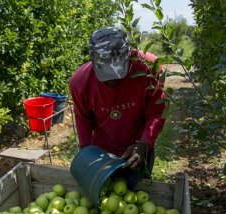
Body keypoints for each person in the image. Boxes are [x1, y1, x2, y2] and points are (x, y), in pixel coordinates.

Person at [69, 27, 166, 188]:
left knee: (137, 191)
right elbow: (83, 118)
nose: (112, 81)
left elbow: (156, 112)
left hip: (138, 148)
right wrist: (87, 152)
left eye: (118, 74)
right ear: (93, 62)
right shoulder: (80, 82)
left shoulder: (149, 70)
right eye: (105, 75)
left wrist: (144, 144)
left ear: (129, 56)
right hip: (101, 152)